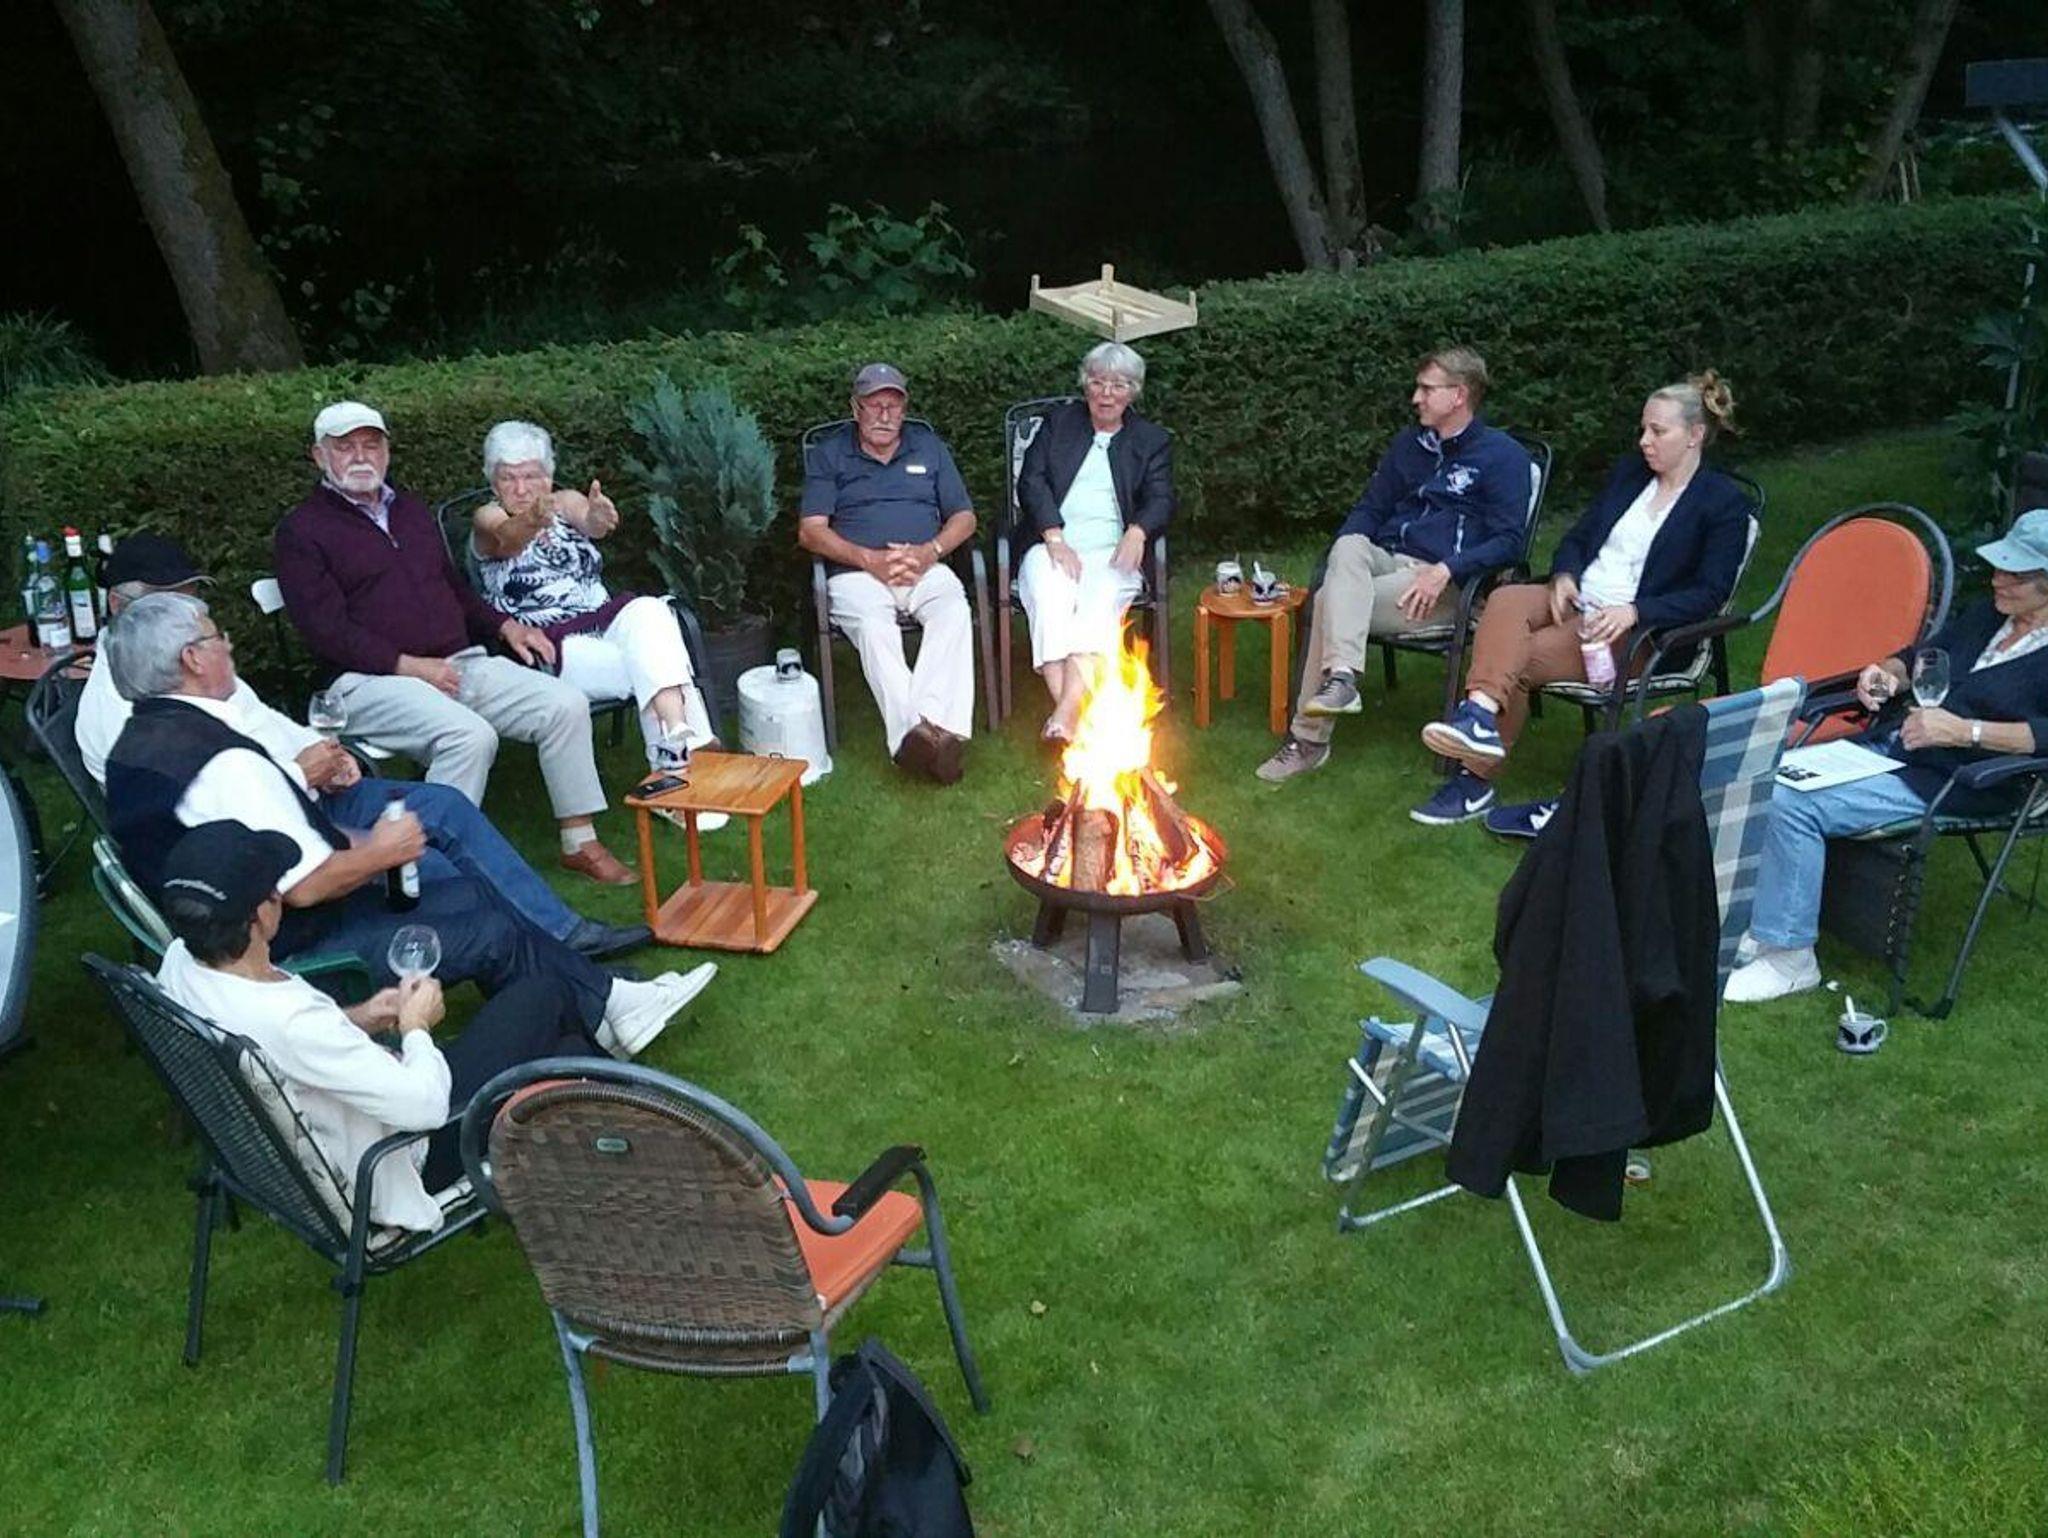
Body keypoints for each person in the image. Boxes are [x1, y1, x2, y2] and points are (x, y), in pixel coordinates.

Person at [101, 592, 714, 1060]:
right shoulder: (223, 761)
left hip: (231, 943)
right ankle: (602, 1014)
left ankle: (601, 1005)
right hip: (285, 954)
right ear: (192, 659)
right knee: (489, 926)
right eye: (218, 636)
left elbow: (285, 849)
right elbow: (308, 886)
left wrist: (366, 842)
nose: (229, 644)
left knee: (466, 890)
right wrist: (384, 849)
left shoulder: (143, 744)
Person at [75, 535, 646, 959]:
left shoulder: (184, 693)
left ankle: (557, 933)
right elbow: (217, 818)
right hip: (277, 850)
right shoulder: (133, 718)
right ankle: (528, 944)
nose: (224, 637)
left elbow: (267, 725)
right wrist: (303, 778)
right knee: (446, 865)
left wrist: (331, 757)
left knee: (445, 808)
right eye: (200, 619)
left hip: (306, 795)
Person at [155, 820, 616, 1232]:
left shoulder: (182, 964)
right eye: (275, 888)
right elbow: (425, 1107)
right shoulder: (290, 1019)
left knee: (565, 1048)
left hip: (339, 1130)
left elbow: (298, 1048)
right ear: (260, 915)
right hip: (402, 1158)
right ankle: (628, 1117)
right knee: (544, 998)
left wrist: (362, 1016)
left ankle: (608, 1111)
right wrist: (416, 1028)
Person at [274, 401, 636, 885]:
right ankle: (429, 870)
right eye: (345, 447)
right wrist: (410, 666)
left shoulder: (409, 511)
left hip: (458, 663)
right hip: (365, 682)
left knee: (563, 705)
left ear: (386, 452)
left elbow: (454, 589)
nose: (360, 456)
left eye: (371, 445)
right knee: (468, 736)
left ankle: (580, 842)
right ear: (319, 456)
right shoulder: (303, 532)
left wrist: (506, 626)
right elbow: (325, 630)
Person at [1725, 508, 2048, 1003]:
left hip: (1967, 779)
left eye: (2014, 575)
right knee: (1770, 773)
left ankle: (1790, 959)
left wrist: (1966, 731)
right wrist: (1887, 674)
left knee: (1792, 803)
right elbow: (1923, 655)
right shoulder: (1989, 615)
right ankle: (1765, 924)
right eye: (1998, 567)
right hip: (1900, 747)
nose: (1997, 580)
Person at [1414, 371, 1750, 828]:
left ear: (1694, 436)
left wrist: (1635, 611)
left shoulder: (1722, 503)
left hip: (1634, 633)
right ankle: (1479, 715)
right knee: (1506, 599)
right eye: (1643, 429)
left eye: (1657, 431)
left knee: (1518, 657)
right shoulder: (1632, 476)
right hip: (1577, 600)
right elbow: (1578, 536)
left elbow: (1710, 593)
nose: (1644, 441)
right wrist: (1565, 576)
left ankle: (1474, 778)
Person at [1256, 347, 1534, 784]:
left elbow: (1509, 542)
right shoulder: (1410, 445)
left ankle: (1310, 737)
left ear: (1459, 395)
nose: (1415, 398)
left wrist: (1447, 569)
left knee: (1328, 602)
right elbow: (1371, 508)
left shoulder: (1502, 457)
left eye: (1426, 389)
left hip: (1441, 583)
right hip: (1386, 561)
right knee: (1350, 544)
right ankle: (1342, 677)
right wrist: (1343, 554)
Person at [468, 420, 717, 771]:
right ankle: (688, 752)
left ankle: (677, 738)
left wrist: (599, 517)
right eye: (508, 478)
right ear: (494, 482)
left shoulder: (564, 501)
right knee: (655, 660)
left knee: (650, 610)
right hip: (550, 644)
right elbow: (507, 539)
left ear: (548, 477)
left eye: (531, 476)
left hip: (605, 620)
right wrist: (533, 520)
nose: (521, 489)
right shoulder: (488, 517)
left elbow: (591, 523)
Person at [797, 363, 978, 783]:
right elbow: (810, 531)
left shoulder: (928, 446)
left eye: (893, 406)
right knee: (874, 627)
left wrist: (930, 552)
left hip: (922, 564)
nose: (884, 415)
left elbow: (965, 517)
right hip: (857, 573)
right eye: (874, 405)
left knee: (952, 610)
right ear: (855, 408)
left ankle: (923, 734)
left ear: (904, 409)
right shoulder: (830, 453)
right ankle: (931, 735)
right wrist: (868, 559)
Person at [1015, 342, 1174, 742]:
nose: (1106, 394)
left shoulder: (1150, 440)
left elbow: (1162, 498)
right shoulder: (1058, 424)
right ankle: (1075, 717)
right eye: (1098, 383)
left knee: (1099, 603)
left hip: (1113, 550)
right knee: (1050, 598)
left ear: (1132, 392)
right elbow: (1031, 481)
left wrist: (1138, 530)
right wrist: (1053, 536)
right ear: (1085, 386)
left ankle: (1066, 719)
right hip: (1052, 542)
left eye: (1118, 385)